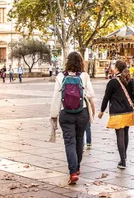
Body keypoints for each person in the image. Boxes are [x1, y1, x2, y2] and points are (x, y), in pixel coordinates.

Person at [50, 52, 95, 185]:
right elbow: (91, 94)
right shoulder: (84, 76)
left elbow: (56, 97)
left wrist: (53, 114)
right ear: (81, 62)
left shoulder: (60, 76)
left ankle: (73, 172)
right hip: (82, 113)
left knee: (69, 142)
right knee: (79, 140)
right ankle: (77, 167)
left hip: (66, 113)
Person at [98, 60, 134, 169]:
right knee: (126, 133)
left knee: (119, 135)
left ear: (117, 69)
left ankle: (122, 161)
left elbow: (106, 97)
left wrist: (102, 110)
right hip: (128, 111)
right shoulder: (129, 79)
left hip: (117, 112)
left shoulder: (113, 82)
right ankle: (124, 156)